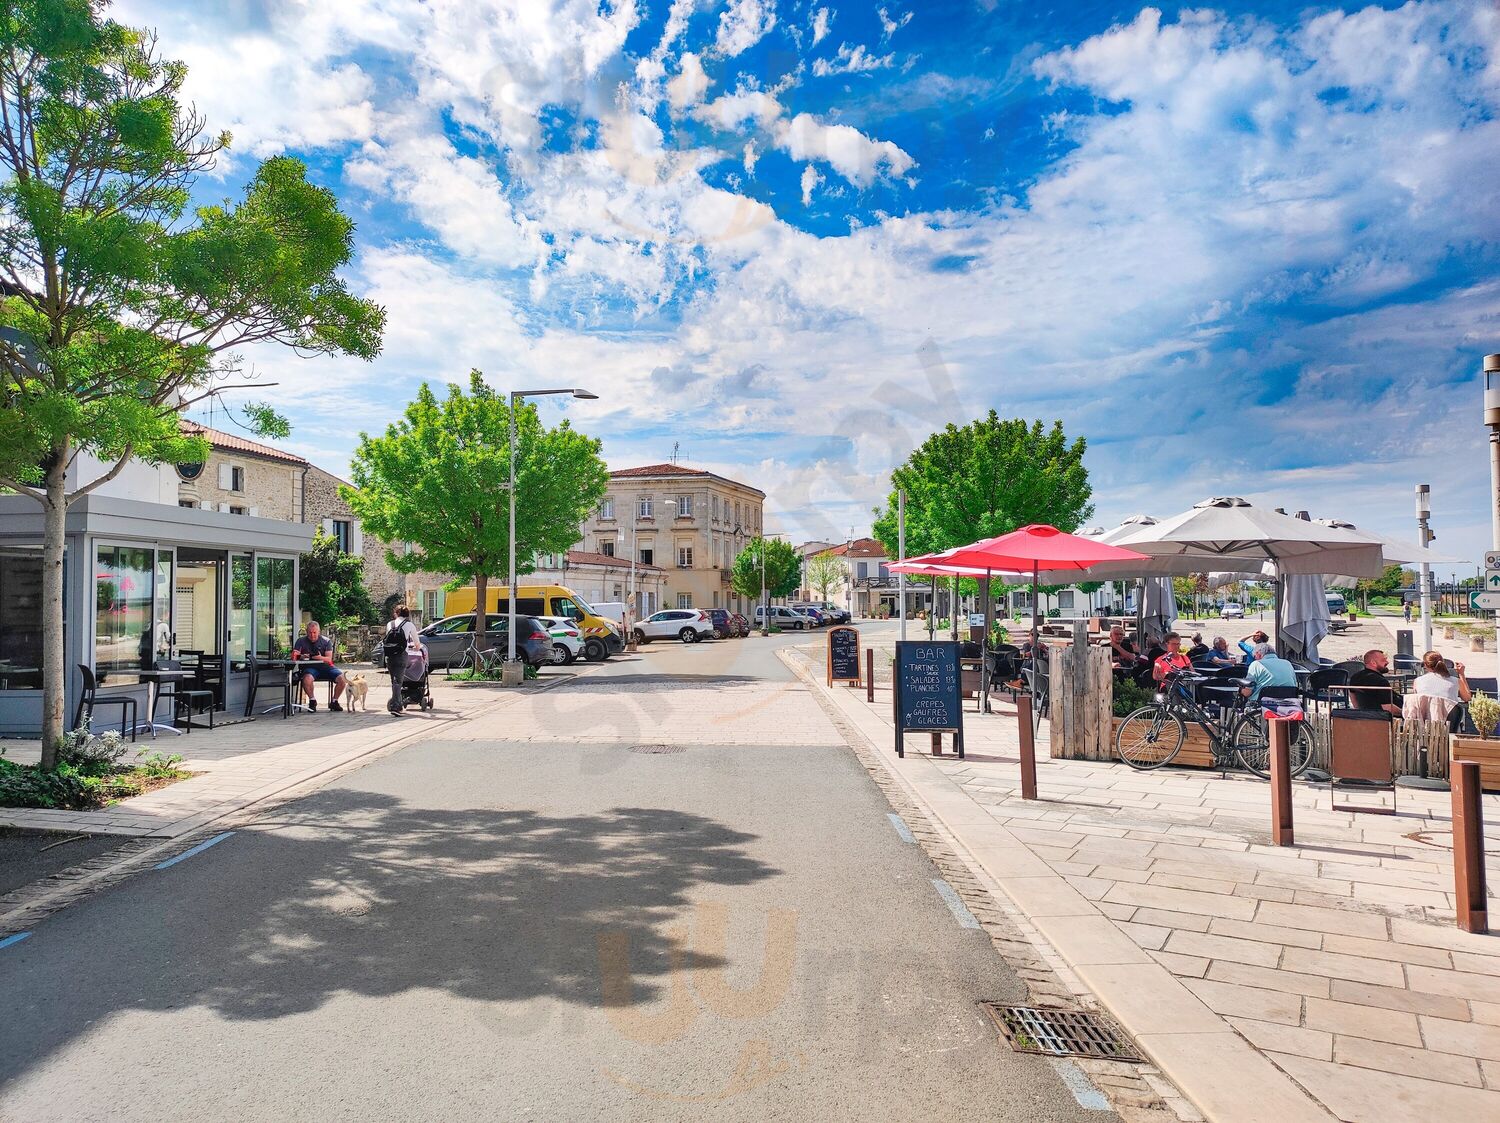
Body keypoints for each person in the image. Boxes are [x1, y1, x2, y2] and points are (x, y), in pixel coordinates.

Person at [292, 621, 346, 712]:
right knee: (307, 679)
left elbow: (329, 659)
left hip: (326, 667)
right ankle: (312, 701)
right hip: (309, 667)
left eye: (314, 632)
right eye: (310, 632)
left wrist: (318, 657)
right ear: (306, 632)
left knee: (342, 679)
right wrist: (302, 656)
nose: (312, 635)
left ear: (319, 632)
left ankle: (334, 701)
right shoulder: (300, 641)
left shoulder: (326, 641)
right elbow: (294, 656)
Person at [1409, 651, 1469, 729]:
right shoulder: (1455, 681)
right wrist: (1461, 674)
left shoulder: (1418, 681)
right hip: (1448, 726)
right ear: (1443, 662)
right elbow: (1467, 697)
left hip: (1424, 727)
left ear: (1425, 665)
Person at [382, 604, 420, 714]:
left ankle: (396, 703)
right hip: (401, 655)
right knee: (398, 681)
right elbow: (417, 642)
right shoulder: (409, 624)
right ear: (407, 614)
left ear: (396, 613)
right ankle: (396, 706)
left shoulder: (390, 624)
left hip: (390, 654)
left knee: (394, 680)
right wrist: (416, 648)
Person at [1347, 648, 1401, 716]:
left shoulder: (1355, 677)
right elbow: (1388, 708)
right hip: (1385, 718)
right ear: (1373, 663)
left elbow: (1353, 697)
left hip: (1367, 716)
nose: (1387, 662)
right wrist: (1404, 713)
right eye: (1383, 660)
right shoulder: (1380, 681)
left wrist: (1361, 713)